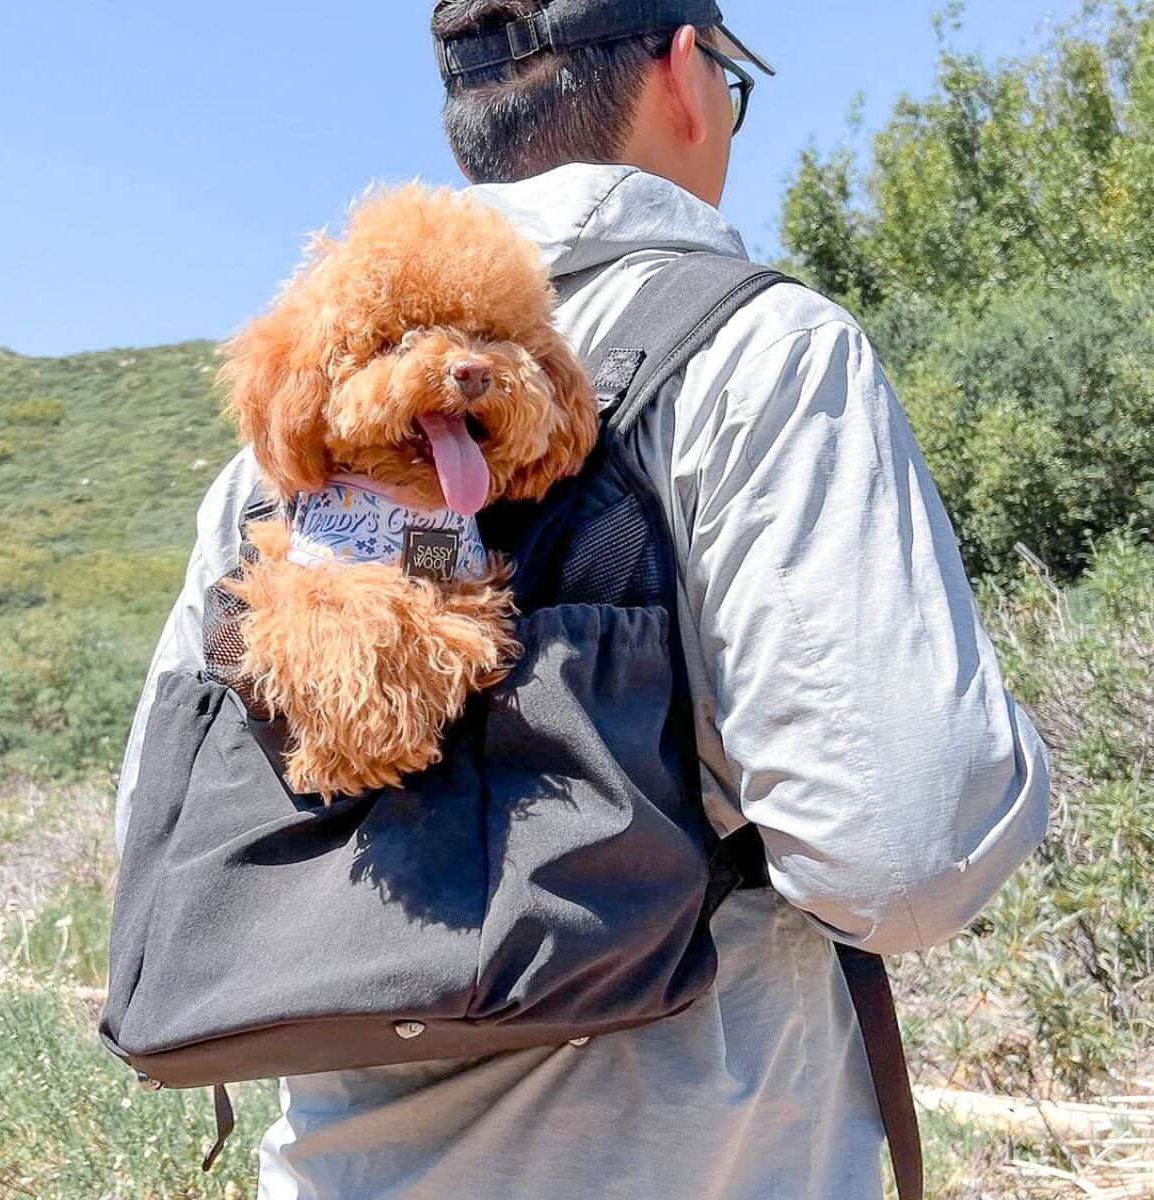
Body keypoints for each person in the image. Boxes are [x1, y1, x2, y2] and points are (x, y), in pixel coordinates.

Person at [114, 2, 1050, 1196]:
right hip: (706, 1157)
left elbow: (161, 807)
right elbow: (906, 858)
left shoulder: (267, 470)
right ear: (685, 72)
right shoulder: (760, 351)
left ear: (473, 133)